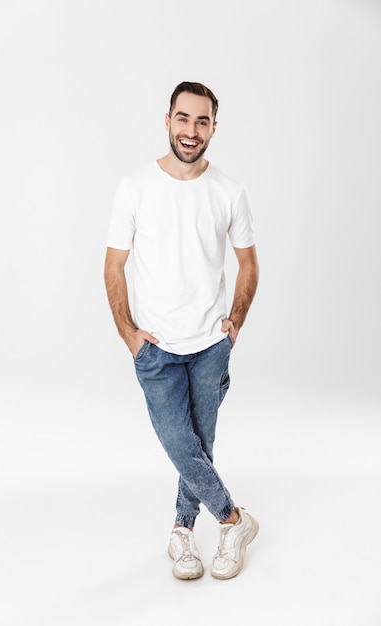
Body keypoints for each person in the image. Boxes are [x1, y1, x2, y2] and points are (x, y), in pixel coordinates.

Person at [104, 81, 259, 580]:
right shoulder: (134, 187)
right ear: (167, 119)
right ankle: (234, 520)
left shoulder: (229, 190)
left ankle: (182, 533)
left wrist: (235, 322)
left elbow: (249, 264)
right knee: (180, 441)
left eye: (202, 121)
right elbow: (113, 265)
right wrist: (128, 333)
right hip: (156, 347)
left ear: (214, 126)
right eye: (183, 118)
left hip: (211, 343)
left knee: (200, 445)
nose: (191, 131)